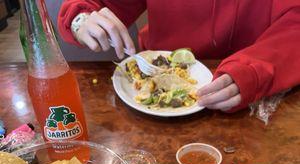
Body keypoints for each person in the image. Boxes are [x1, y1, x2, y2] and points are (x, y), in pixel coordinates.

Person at [58, 0, 300, 112]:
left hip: (253, 97)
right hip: (150, 89)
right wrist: (82, 18)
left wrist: (254, 70)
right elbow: (95, 3)